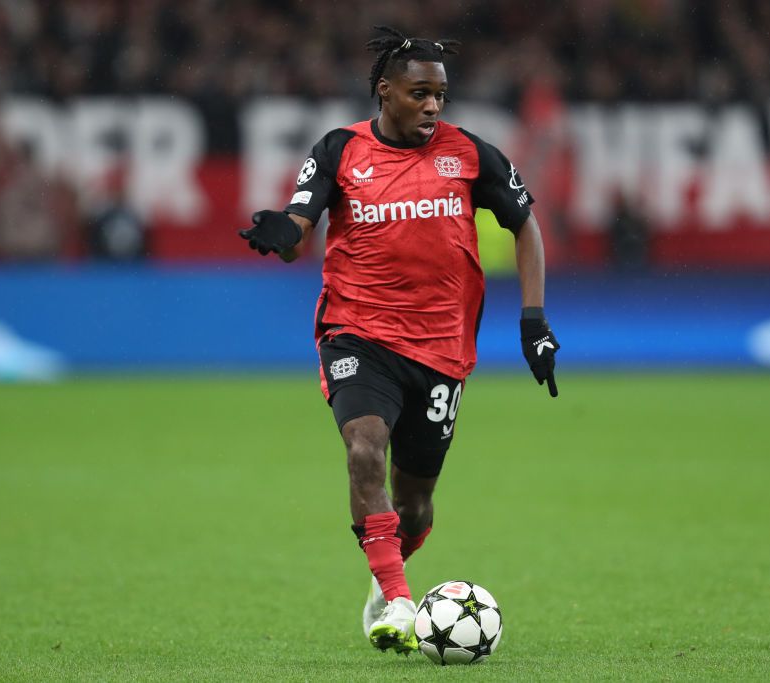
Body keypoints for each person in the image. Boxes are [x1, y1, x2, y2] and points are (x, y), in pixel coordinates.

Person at [239, 25, 560, 655]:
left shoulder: (469, 154)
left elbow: (526, 227)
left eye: (440, 95)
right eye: (420, 94)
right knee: (364, 451)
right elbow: (300, 222)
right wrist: (284, 232)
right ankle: (399, 598)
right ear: (385, 93)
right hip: (358, 331)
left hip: (442, 349)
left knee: (415, 504)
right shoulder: (339, 150)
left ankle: (384, 577)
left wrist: (534, 321)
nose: (433, 106)